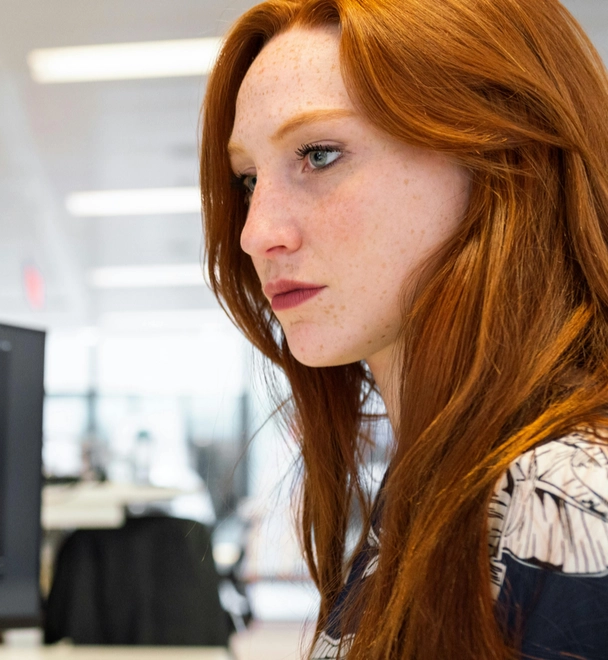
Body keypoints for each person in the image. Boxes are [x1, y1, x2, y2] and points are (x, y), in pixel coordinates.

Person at [200, 0, 608, 657]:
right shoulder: (444, 480)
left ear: (502, 156)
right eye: (248, 179)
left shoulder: (564, 493)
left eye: (320, 154)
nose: (254, 234)